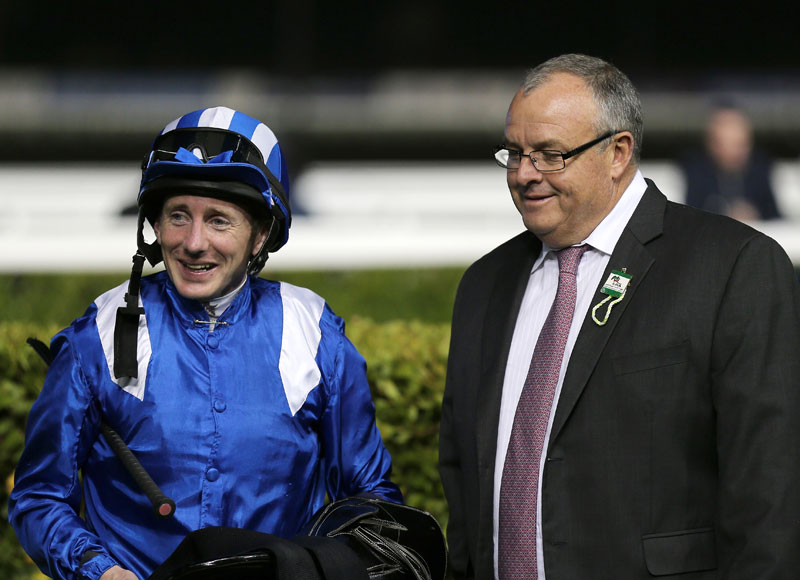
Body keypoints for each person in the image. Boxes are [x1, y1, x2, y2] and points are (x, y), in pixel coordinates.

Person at [438, 54, 800, 579]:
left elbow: (770, 495)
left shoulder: (732, 266)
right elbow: (463, 485)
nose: (524, 174)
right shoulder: (483, 284)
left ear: (618, 152)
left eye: (550, 155)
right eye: (514, 153)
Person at [9, 106, 403, 580]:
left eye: (219, 220)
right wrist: (101, 571)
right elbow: (38, 498)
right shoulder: (95, 336)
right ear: (155, 226)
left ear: (260, 235)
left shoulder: (317, 334)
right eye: (179, 216)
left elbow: (370, 502)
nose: (194, 243)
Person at [682, 102, 782, 221]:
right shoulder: (695, 170)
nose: (737, 153)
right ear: (712, 144)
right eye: (730, 145)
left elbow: (775, 216)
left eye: (741, 145)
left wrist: (755, 215)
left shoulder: (760, 168)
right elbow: (691, 214)